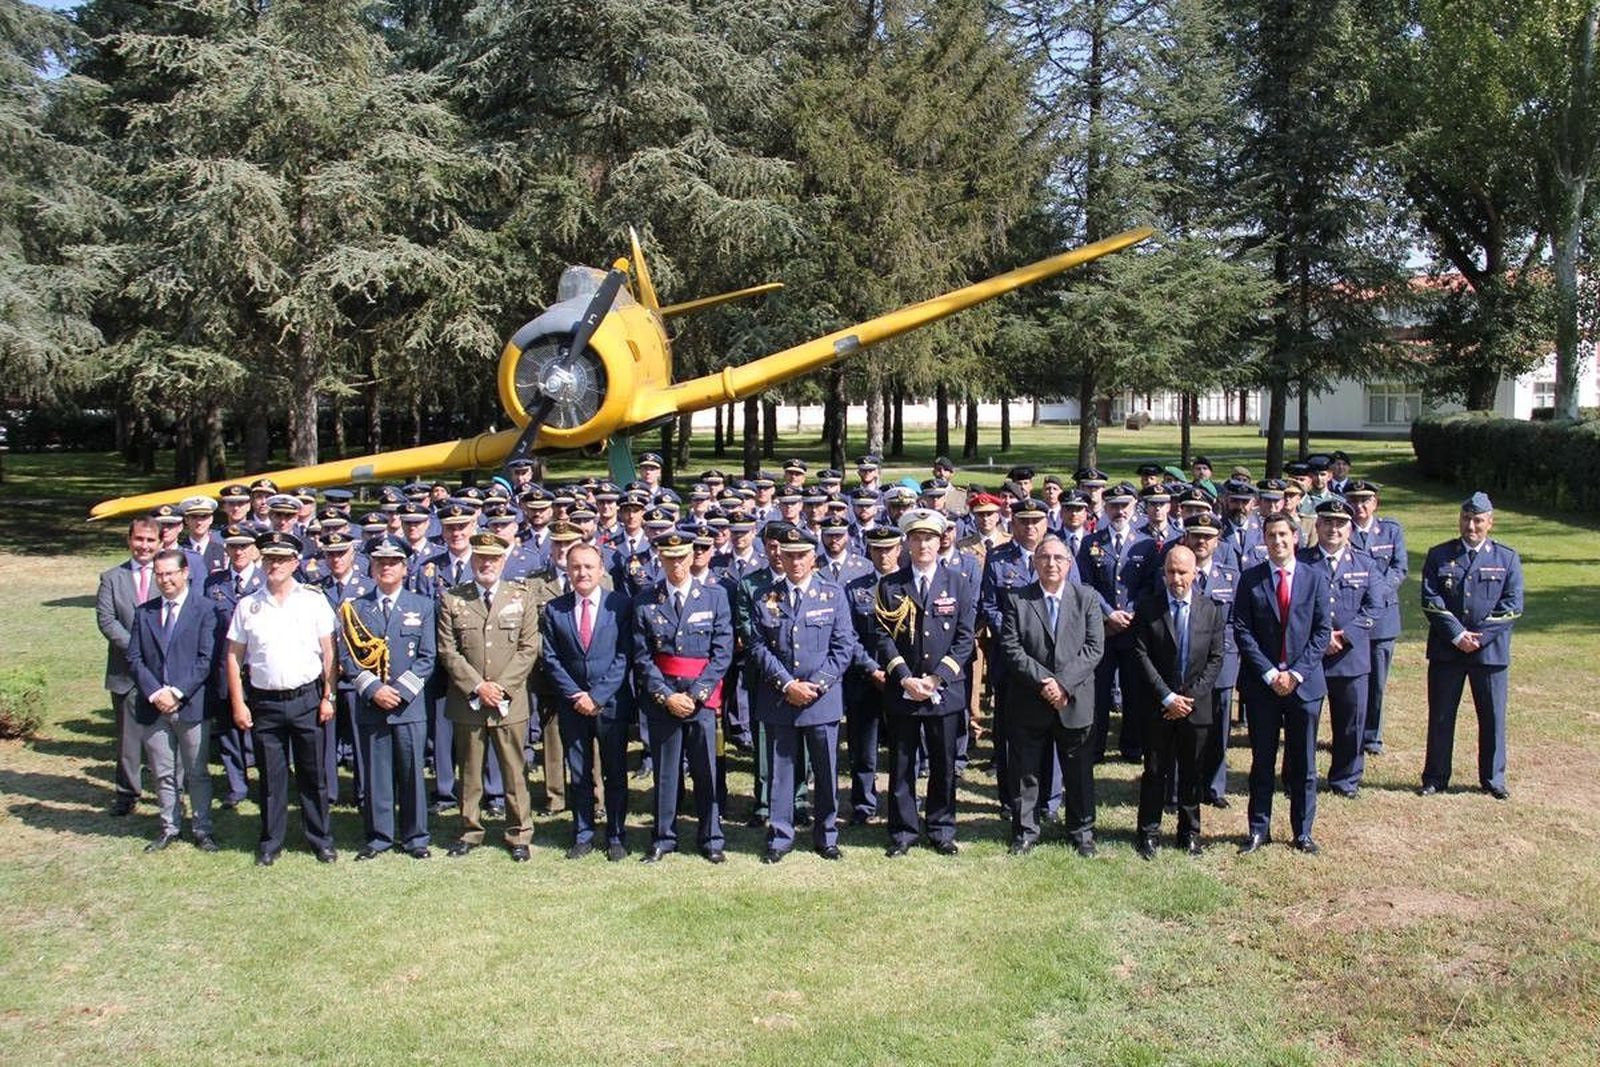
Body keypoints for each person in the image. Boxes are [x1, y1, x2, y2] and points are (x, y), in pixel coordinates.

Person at [225, 531, 339, 866]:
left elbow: (329, 653)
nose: (274, 564)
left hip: (307, 698)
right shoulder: (248, 605)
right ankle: (270, 842)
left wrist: (328, 696)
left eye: (282, 559)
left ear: (295, 562)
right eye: (269, 558)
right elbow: (233, 657)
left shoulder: (313, 600)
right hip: (265, 702)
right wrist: (238, 702)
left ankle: (321, 840)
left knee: (313, 775)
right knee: (271, 779)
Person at [746, 526, 858, 863]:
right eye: (789, 555)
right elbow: (757, 645)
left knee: (825, 770)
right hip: (781, 698)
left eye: (802, 555)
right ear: (779, 556)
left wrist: (817, 685)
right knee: (781, 771)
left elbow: (844, 645)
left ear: (813, 558)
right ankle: (780, 835)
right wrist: (786, 684)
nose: (795, 561)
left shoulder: (832, 594)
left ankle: (826, 835)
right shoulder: (765, 596)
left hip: (821, 700)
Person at [871, 508, 977, 857]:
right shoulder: (890, 585)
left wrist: (936, 678)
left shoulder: (958, 582)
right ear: (907, 542)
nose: (923, 544)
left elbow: (964, 638)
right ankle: (902, 831)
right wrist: (904, 678)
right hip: (904, 690)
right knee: (902, 763)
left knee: (944, 764)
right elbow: (883, 637)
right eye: (916, 538)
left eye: (929, 538)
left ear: (940, 540)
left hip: (943, 690)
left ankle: (942, 828)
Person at [996, 536, 1104, 856]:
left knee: (1079, 771)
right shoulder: (1018, 599)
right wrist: (1045, 682)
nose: (1051, 563)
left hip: (1074, 700)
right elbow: (1012, 648)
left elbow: (1094, 648)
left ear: (1069, 564)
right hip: (1031, 699)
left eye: (1059, 558)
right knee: (1026, 770)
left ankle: (1082, 831)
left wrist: (1064, 685)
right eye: (1045, 557)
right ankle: (1026, 830)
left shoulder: (1087, 598)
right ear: (1035, 563)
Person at [436, 532, 541, 861]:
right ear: (471, 560)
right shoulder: (453, 599)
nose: (486, 564)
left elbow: (529, 648)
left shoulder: (521, 597)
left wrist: (501, 688)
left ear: (503, 561)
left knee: (514, 770)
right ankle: (469, 830)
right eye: (480, 558)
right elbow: (447, 651)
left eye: (493, 559)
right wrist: (478, 686)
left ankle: (519, 833)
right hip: (469, 701)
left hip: (509, 702)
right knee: (469, 770)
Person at [632, 528, 734, 864]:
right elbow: (642, 656)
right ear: (659, 558)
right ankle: (664, 837)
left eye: (682, 557)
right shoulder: (646, 600)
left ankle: (711, 837)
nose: (676, 564)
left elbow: (722, 651)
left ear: (693, 557)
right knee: (666, 772)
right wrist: (665, 696)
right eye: (669, 558)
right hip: (664, 701)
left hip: (701, 700)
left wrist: (697, 694)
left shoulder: (715, 596)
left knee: (706, 770)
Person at [1232, 512, 1332, 855]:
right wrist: (1272, 674)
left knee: (1304, 763)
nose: (1277, 542)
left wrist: (1297, 673)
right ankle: (1258, 830)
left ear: (1295, 537)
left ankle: (1302, 832)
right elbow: (1242, 631)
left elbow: (1321, 632)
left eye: (1283, 535)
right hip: (1264, 687)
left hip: (1304, 686)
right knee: (1262, 762)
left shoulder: (1316, 578)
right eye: (1271, 535)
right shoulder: (1251, 579)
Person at [1419, 492, 1523, 800]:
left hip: (1490, 653)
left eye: (1478, 520)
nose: (1471, 526)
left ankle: (1493, 778)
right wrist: (1457, 635)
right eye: (1466, 519)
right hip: (1447, 650)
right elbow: (1431, 599)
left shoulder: (1507, 557)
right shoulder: (1439, 554)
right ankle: (1435, 777)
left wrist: (1480, 637)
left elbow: (1513, 605)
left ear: (1490, 522)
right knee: (1441, 715)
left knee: (1492, 716)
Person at [338, 536, 436, 860]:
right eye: (380, 562)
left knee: (411, 774)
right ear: (372, 567)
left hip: (409, 707)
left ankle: (416, 837)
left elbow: (427, 657)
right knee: (376, 775)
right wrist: (374, 690)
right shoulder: (355, 608)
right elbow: (349, 658)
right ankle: (379, 837)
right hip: (372, 705)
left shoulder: (422, 606)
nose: (386, 567)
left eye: (393, 562)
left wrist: (401, 692)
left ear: (405, 568)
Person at [540, 543, 636, 861]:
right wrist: (576, 695)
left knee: (615, 772)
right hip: (572, 705)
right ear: (568, 570)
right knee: (579, 773)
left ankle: (616, 834)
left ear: (601, 570)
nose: (582, 572)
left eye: (588, 567)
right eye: (576, 567)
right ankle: (582, 833)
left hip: (610, 704)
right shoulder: (555, 609)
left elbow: (624, 656)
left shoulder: (620, 605)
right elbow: (551, 659)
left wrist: (597, 696)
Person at [1130, 546, 1225, 857]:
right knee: (1155, 771)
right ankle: (1148, 833)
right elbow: (1140, 655)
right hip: (1158, 705)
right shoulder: (1147, 607)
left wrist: (1189, 699)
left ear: (1194, 573)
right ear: (1163, 573)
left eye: (1182, 572)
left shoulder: (1211, 609)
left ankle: (1189, 833)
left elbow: (1215, 658)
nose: (1176, 578)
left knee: (1191, 773)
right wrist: (1168, 697)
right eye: (1171, 571)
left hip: (1195, 708)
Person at [125, 549, 221, 852]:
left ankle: (202, 828)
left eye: (170, 573)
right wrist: (156, 693)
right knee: (163, 771)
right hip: (154, 707)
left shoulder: (205, 609)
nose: (165, 580)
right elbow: (135, 658)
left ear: (185, 573)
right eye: (159, 574)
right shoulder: (145, 612)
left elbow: (207, 659)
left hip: (190, 704)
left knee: (197, 773)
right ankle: (169, 826)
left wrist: (177, 692)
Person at [1300, 500, 1379, 798]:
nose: (1334, 529)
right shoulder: (1302, 562)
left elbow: (1374, 607)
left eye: (1341, 523)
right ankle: (1299, 775)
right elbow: (1292, 606)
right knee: (1304, 721)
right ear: (1317, 525)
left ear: (1350, 528)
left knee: (1350, 723)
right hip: (1310, 657)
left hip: (1350, 656)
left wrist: (1344, 636)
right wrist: (1321, 639)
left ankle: (1345, 780)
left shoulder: (1365, 564)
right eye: (1328, 522)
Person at [96, 517, 160, 816]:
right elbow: (107, 621)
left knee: (164, 740)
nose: (144, 546)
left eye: (150, 540)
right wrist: (136, 651)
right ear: (129, 540)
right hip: (125, 671)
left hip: (162, 671)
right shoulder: (111, 578)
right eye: (139, 539)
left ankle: (168, 793)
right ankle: (127, 794)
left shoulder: (169, 574)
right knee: (127, 741)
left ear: (159, 543)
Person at [1345, 481, 1407, 756]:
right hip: (1351, 617)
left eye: (1365, 501)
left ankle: (1371, 736)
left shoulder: (1390, 531)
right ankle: (1348, 733)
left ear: (1375, 503)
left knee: (1377, 682)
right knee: (1349, 681)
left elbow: (1399, 568)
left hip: (1382, 617)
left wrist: (1375, 591)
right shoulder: (1341, 530)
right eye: (1354, 501)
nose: (1359, 507)